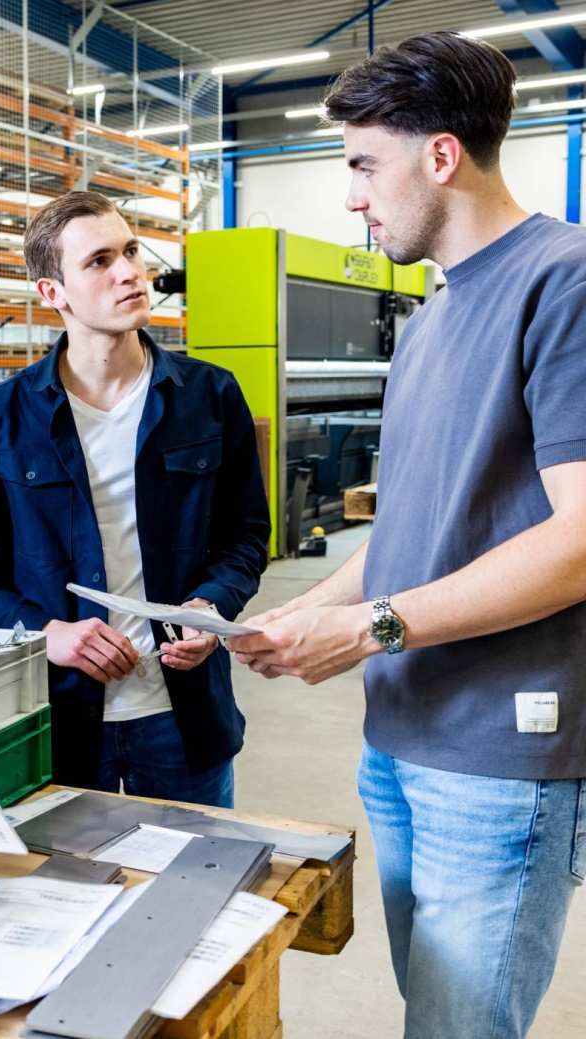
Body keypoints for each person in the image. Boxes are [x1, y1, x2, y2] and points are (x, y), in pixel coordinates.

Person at [228, 32, 586, 1039]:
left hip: (496, 758)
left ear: (438, 155)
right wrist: (297, 615)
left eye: (359, 164)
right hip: (397, 740)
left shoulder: (563, 284)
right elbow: (413, 536)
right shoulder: (429, 316)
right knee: (427, 1015)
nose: (349, 195)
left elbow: (580, 538)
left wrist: (373, 630)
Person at [0, 190, 269, 807]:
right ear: (52, 293)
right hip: (52, 718)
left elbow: (244, 536)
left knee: (196, 887)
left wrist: (209, 609)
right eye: (99, 260)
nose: (129, 272)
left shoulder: (209, 396)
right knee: (60, 892)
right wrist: (46, 633)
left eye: (131, 251)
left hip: (181, 719)